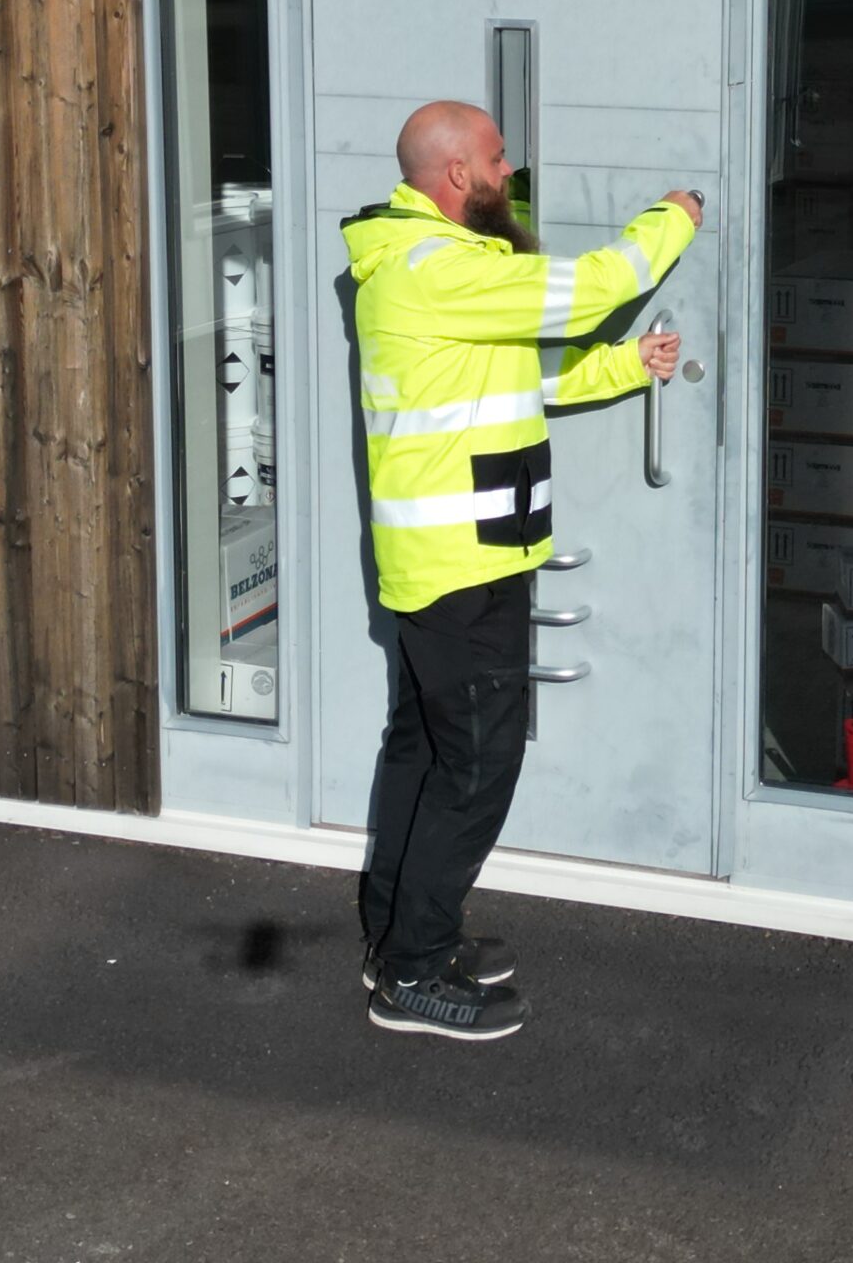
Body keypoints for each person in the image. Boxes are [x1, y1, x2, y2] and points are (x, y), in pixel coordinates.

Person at [340, 99, 703, 1041]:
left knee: (425, 750)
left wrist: (625, 368)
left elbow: (511, 378)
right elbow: (589, 289)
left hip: (462, 555)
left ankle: (402, 936)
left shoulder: (437, 272)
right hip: (459, 565)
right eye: (499, 159)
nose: (512, 171)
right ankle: (412, 977)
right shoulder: (433, 268)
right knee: (476, 765)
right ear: (457, 174)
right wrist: (677, 215)